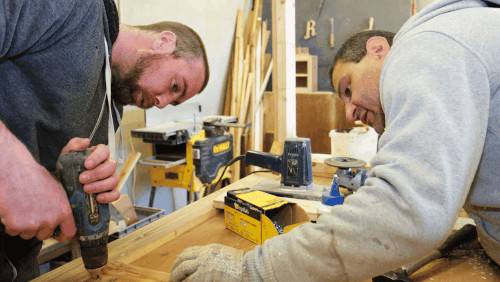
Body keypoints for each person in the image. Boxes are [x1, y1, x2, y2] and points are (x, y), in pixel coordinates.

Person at [169, 0, 500, 281]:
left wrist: (252, 270)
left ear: (379, 50)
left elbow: (404, 214)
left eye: (347, 89)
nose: (349, 114)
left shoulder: (422, 46)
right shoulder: (458, 39)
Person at [0, 0, 208, 280]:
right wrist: (9, 164)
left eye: (173, 102)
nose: (161, 103)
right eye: (174, 86)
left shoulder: (110, 111)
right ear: (164, 42)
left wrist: (63, 184)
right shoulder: (74, 9)